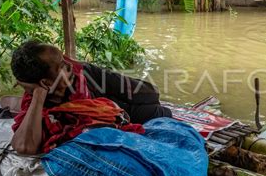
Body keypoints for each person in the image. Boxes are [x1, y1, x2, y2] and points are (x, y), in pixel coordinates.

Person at [10, 40, 172, 154]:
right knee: (161, 113)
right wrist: (39, 94)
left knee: (151, 93)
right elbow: (24, 147)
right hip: (113, 110)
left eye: (65, 58)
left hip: (98, 88)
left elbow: (151, 93)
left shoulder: (81, 72)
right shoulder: (39, 105)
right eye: (62, 65)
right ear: (44, 83)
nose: (70, 65)